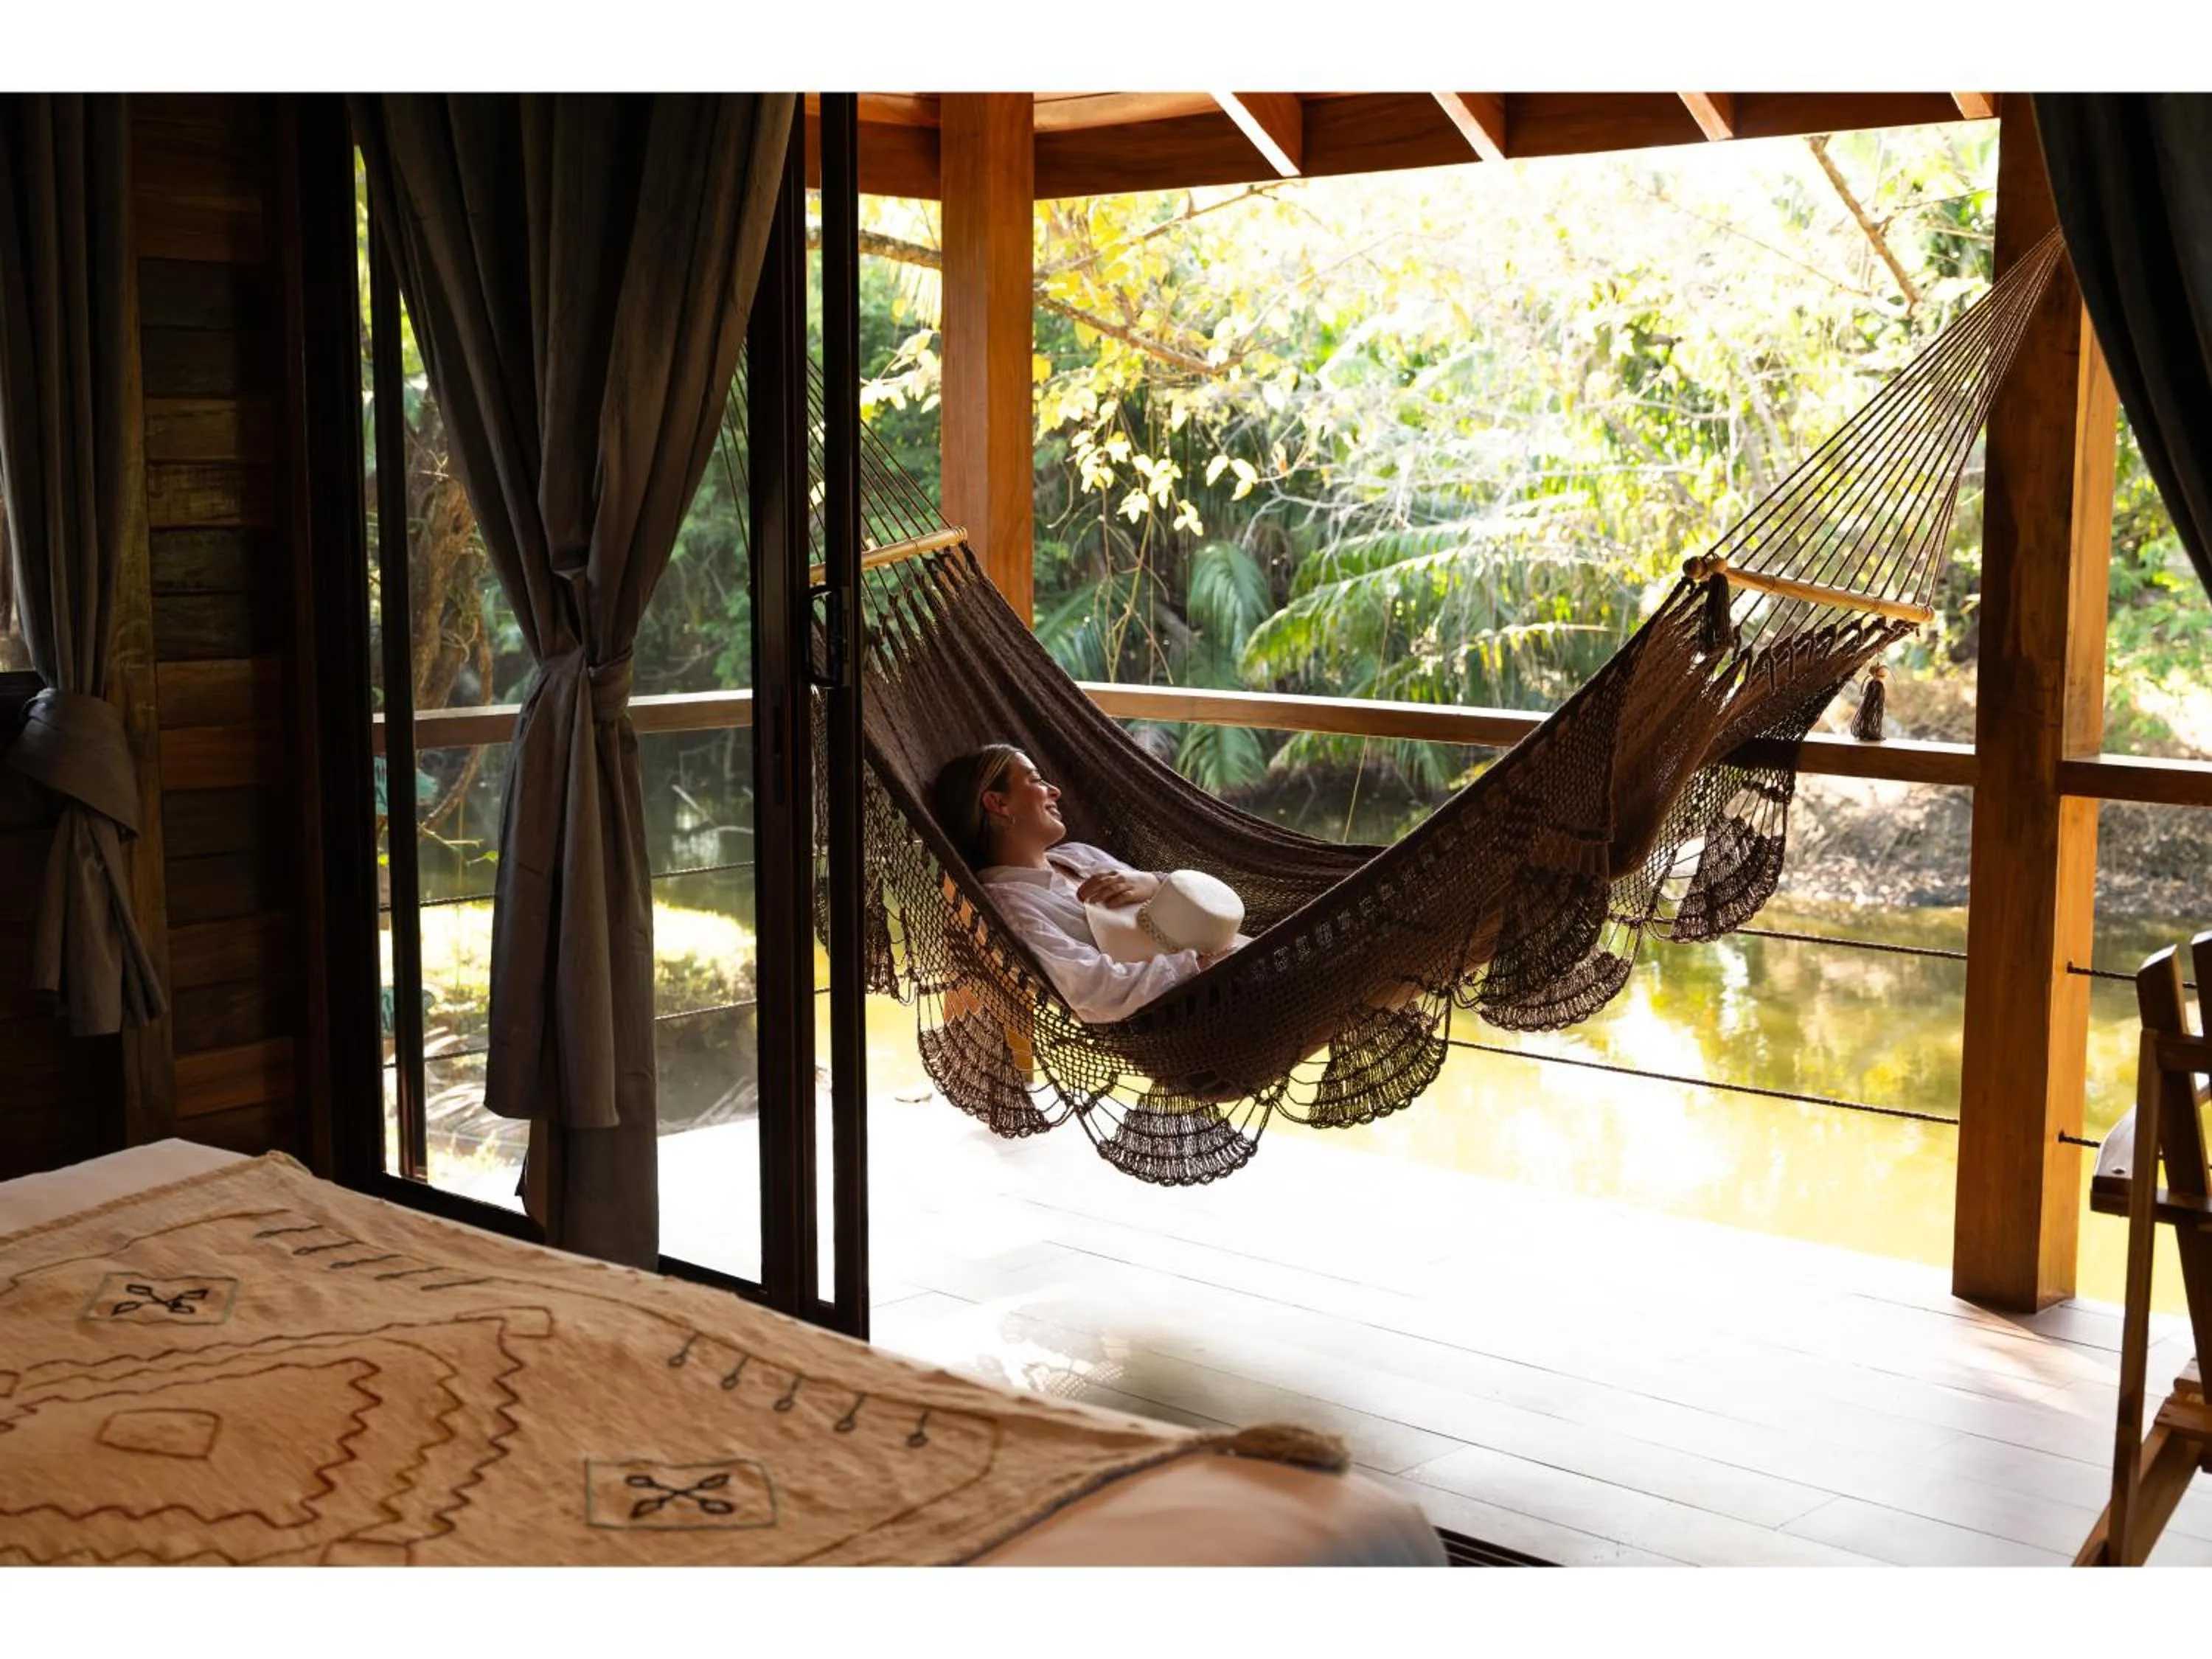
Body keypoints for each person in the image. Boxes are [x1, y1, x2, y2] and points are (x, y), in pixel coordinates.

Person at [931, 744, 1237, 1025]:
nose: (1055, 791)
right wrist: (1203, 966)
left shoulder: (1080, 855)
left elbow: (1202, 902)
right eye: (1036, 780)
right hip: (1195, 1011)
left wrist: (1154, 882)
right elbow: (1095, 989)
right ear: (998, 803)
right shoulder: (1012, 905)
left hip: (1230, 967)